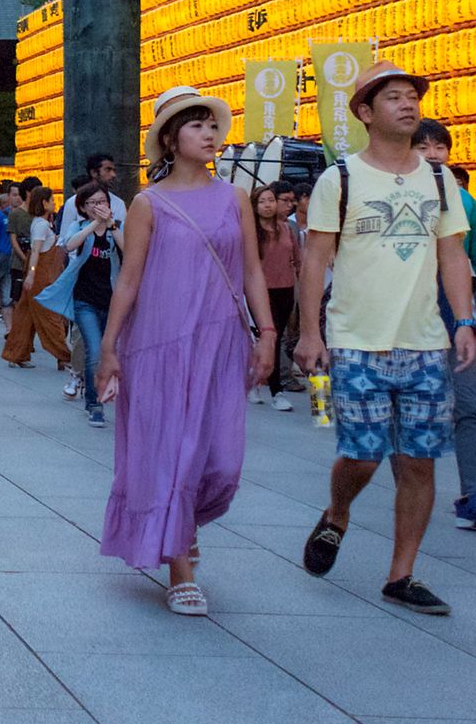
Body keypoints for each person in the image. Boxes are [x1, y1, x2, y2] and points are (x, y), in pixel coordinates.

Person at [294, 62, 476, 617]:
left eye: (412, 97)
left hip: (425, 341)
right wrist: (309, 333)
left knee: (419, 461)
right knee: (363, 454)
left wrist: (464, 321)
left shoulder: (441, 180)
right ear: (366, 114)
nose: (407, 104)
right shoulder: (341, 179)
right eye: (392, 97)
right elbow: (316, 259)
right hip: (356, 338)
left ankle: (402, 574)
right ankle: (337, 514)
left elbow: (452, 254)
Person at [98, 87, 265, 607]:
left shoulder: (235, 197)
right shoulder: (149, 204)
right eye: (195, 126)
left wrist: (270, 334)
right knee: (172, 454)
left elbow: (254, 271)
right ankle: (180, 567)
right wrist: (108, 349)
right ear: (170, 140)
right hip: (159, 345)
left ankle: (184, 523)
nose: (209, 134)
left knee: (221, 462)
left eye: (211, 126)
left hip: (220, 343)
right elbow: (128, 280)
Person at [410, 124, 476, 529]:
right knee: (413, 410)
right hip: (405, 321)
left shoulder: (466, 203)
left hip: (456, 317)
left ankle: (474, 497)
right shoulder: (389, 196)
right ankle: (410, 493)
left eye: (440, 147)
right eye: (424, 146)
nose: (434, 154)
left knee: (468, 407)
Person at [51, 182, 124, 424]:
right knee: (93, 351)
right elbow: (70, 245)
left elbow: (130, 251)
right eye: (93, 203)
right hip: (85, 300)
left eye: (102, 201)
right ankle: (94, 404)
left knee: (108, 351)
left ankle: (101, 392)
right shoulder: (79, 226)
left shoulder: (118, 228)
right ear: (83, 207)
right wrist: (95, 224)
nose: (98, 206)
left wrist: (111, 225)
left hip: (113, 300)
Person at [2, 185, 76, 371]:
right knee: (49, 318)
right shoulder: (42, 225)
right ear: (44, 202)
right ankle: (64, 355)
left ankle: (16, 353)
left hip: (38, 276)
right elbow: (35, 251)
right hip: (41, 278)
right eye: (51, 200)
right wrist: (32, 274)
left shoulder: (40, 223)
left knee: (24, 316)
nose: (54, 203)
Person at [252, 186, 303, 409]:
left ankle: (255, 378)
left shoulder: (286, 228)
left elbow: (298, 260)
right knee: (268, 338)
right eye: (262, 201)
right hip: (260, 292)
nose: (268, 205)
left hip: (286, 288)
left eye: (271, 200)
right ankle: (276, 391)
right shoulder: (250, 231)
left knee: (279, 335)